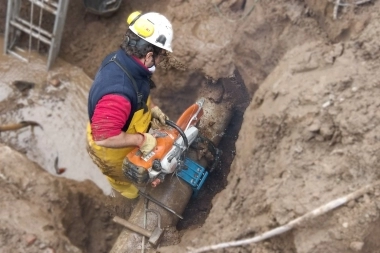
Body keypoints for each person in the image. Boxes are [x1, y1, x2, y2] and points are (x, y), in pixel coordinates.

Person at [86, 11, 173, 199]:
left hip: (112, 122)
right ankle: (130, 196)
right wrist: (142, 140)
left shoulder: (124, 61)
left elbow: (137, 93)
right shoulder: (119, 93)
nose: (161, 60)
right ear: (149, 55)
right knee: (125, 180)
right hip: (111, 150)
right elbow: (104, 137)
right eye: (160, 56)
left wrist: (152, 108)